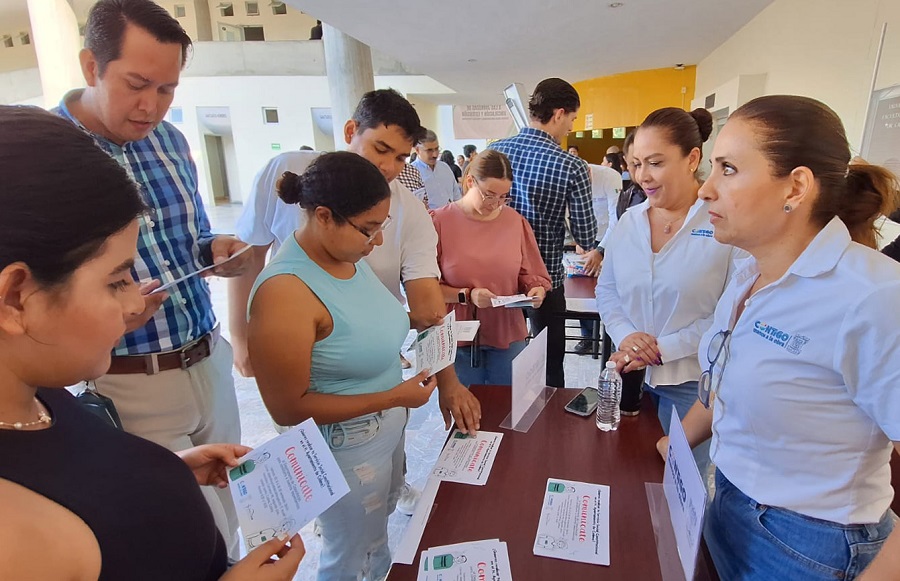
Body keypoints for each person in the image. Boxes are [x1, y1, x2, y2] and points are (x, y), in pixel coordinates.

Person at [0, 105, 305, 581]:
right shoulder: (14, 539)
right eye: (118, 280)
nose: (133, 305)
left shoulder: (37, 395)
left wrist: (166, 472)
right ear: (16, 299)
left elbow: (79, 477)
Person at [661, 95, 900, 580]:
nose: (705, 190)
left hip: (811, 546)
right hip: (729, 507)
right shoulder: (750, 273)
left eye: (727, 169)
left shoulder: (872, 296)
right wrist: (675, 449)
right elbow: (724, 378)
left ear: (796, 186)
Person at [230, 89, 482, 515]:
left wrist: (447, 381)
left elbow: (426, 309)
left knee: (375, 498)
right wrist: (240, 336)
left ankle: (384, 493)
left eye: (402, 157)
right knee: (345, 516)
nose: (389, 166)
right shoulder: (290, 179)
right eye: (381, 148)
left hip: (377, 369)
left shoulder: (396, 220)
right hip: (317, 368)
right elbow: (250, 252)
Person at [56, 0, 247, 555]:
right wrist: (112, 310)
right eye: (137, 84)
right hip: (129, 377)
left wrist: (218, 250)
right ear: (92, 66)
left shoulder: (170, 140)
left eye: (167, 89)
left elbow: (188, 236)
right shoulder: (48, 156)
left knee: (231, 508)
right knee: (181, 529)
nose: (151, 106)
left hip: (206, 356)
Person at [247, 152, 438, 581]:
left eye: (381, 227)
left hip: (385, 425)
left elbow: (353, 326)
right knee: (354, 554)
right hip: (345, 444)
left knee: (376, 532)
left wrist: (410, 323)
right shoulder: (285, 292)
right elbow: (289, 408)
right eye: (369, 229)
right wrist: (394, 396)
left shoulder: (346, 258)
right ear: (324, 216)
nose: (379, 242)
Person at [596, 106, 740, 479]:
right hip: (627, 377)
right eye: (636, 163)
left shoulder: (722, 224)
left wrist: (662, 349)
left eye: (656, 163)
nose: (643, 176)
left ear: (692, 158)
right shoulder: (630, 221)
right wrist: (628, 337)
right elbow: (607, 289)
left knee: (678, 489)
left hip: (691, 387)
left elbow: (732, 313)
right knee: (622, 475)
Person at [489, 77, 599, 388]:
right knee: (551, 361)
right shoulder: (570, 165)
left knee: (499, 353)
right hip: (545, 276)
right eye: (573, 119)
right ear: (559, 114)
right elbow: (585, 235)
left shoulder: (495, 152)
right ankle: (549, 425)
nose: (571, 128)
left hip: (496, 276)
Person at [433, 150, 551, 386]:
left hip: (507, 333)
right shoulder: (438, 222)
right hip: (456, 336)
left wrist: (536, 290)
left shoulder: (515, 222)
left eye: (503, 197)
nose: (495, 204)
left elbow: (532, 274)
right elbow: (423, 288)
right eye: (489, 195)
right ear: (470, 182)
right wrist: (467, 295)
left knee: (508, 412)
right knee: (464, 415)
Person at [573, 161, 622, 355]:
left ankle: (613, 337)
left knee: (611, 288)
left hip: (612, 238)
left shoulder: (610, 177)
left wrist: (601, 250)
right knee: (585, 287)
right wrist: (579, 239)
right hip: (588, 238)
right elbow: (570, 213)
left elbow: (616, 219)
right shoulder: (573, 179)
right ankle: (588, 338)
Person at [412, 129, 462, 209]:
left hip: (450, 216)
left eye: (436, 149)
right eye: (429, 150)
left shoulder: (445, 167)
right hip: (428, 219)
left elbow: (456, 195)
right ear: (417, 150)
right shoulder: (412, 172)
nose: (435, 154)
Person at [616, 131, 646, 219]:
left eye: (654, 163)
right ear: (626, 162)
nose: (643, 175)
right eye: (636, 164)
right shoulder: (627, 196)